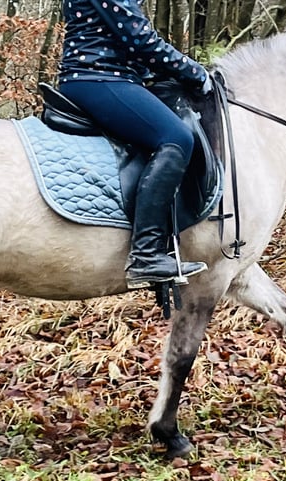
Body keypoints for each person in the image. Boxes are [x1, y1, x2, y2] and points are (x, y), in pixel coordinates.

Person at [58, 0, 213, 289]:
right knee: (176, 137)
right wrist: (195, 73)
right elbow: (139, 39)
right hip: (99, 76)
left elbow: (124, 39)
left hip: (103, 75)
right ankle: (146, 254)